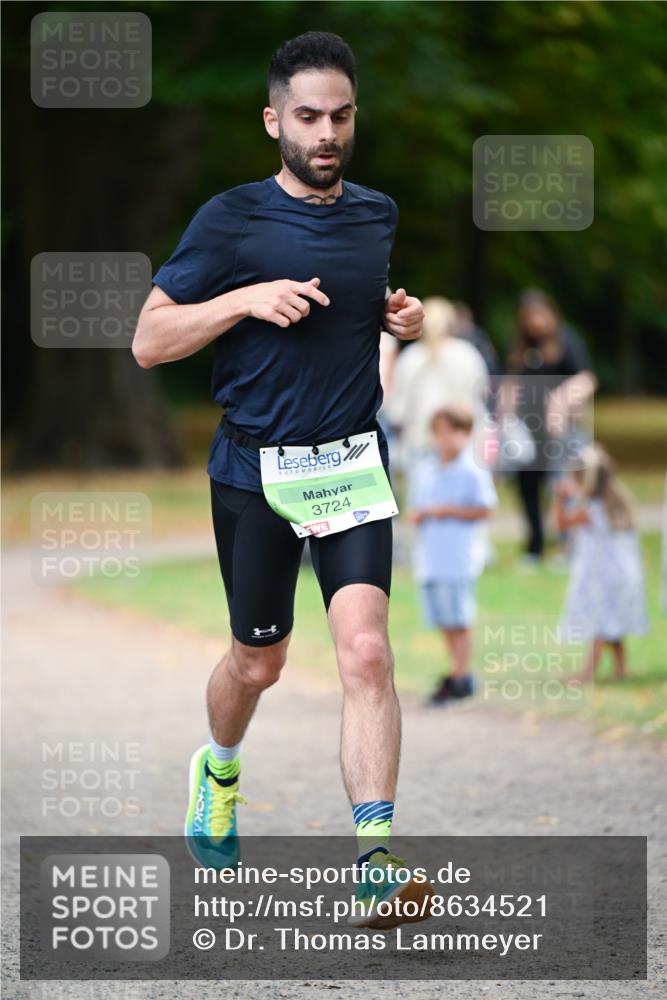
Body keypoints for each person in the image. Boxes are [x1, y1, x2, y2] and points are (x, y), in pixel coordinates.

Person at [133, 31, 431, 929]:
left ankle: (375, 858)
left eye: (340, 115)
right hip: (254, 471)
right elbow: (149, 341)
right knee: (258, 662)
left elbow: (353, 315)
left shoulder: (374, 214)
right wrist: (241, 300)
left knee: (367, 654)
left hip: (348, 463)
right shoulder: (230, 219)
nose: (326, 131)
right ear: (274, 121)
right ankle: (219, 769)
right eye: (307, 116)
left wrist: (396, 319)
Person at [407, 404, 497, 705]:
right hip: (431, 557)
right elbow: (418, 507)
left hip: (458, 557)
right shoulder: (426, 470)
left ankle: (461, 675)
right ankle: (457, 670)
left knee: (459, 618)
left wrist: (448, 511)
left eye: (452, 431)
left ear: (465, 433)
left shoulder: (472, 471)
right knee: (442, 618)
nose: (445, 439)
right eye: (439, 432)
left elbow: (485, 508)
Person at [500, 289, 597, 564]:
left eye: (539, 315)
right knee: (527, 488)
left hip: (561, 432)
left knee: (563, 486)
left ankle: (569, 547)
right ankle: (535, 546)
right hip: (527, 433)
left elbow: (587, 378)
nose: (535, 323)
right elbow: (510, 382)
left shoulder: (568, 340)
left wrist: (562, 400)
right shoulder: (521, 347)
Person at [553, 445, 648, 683]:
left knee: (598, 623)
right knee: (611, 620)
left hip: (601, 576)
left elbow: (560, 525)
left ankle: (587, 674)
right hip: (624, 574)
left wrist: (560, 499)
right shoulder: (617, 503)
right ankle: (621, 668)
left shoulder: (591, 509)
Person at [387, 296, 489, 482]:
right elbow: (480, 395)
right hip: (462, 441)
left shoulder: (411, 358)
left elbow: (397, 410)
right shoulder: (468, 355)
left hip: (420, 442)